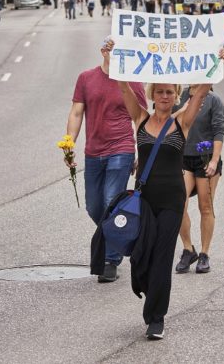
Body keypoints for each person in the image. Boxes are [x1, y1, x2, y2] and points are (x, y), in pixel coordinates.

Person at [116, 47, 224, 340]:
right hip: (145, 201)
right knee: (142, 256)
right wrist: (111, 57)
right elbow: (124, 86)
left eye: (170, 92)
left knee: (163, 257)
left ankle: (156, 318)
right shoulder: (140, 119)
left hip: (171, 200)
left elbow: (201, 92)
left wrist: (217, 61)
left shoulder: (182, 121)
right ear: (153, 95)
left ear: (176, 94)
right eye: (160, 92)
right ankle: (146, 288)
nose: (165, 96)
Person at [67, 37, 147, 283]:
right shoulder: (86, 78)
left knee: (111, 200)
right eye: (112, 51)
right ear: (103, 51)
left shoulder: (133, 80)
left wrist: (140, 154)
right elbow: (77, 112)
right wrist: (69, 145)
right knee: (94, 206)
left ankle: (111, 259)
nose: (116, 56)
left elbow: (141, 119)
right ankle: (119, 234)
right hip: (93, 151)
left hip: (121, 149)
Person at [174, 86, 224, 274]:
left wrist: (214, 160)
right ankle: (188, 249)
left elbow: (219, 131)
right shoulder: (178, 97)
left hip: (206, 158)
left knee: (205, 206)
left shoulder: (214, 100)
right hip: (182, 158)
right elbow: (167, 123)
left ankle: (204, 254)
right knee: (178, 203)